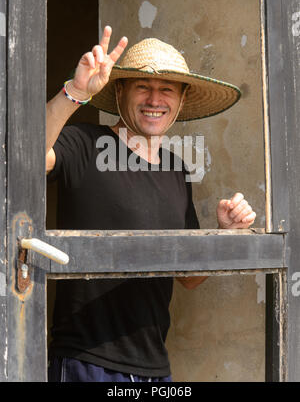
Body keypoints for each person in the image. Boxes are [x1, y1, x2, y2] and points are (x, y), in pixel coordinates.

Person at [46, 26, 256, 382]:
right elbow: (21, 157)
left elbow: (187, 277)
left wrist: (225, 235)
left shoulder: (176, 169)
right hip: (88, 361)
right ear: (120, 91)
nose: (154, 100)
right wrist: (75, 92)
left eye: (166, 89)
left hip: (155, 369)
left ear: (182, 100)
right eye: (143, 86)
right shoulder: (83, 143)